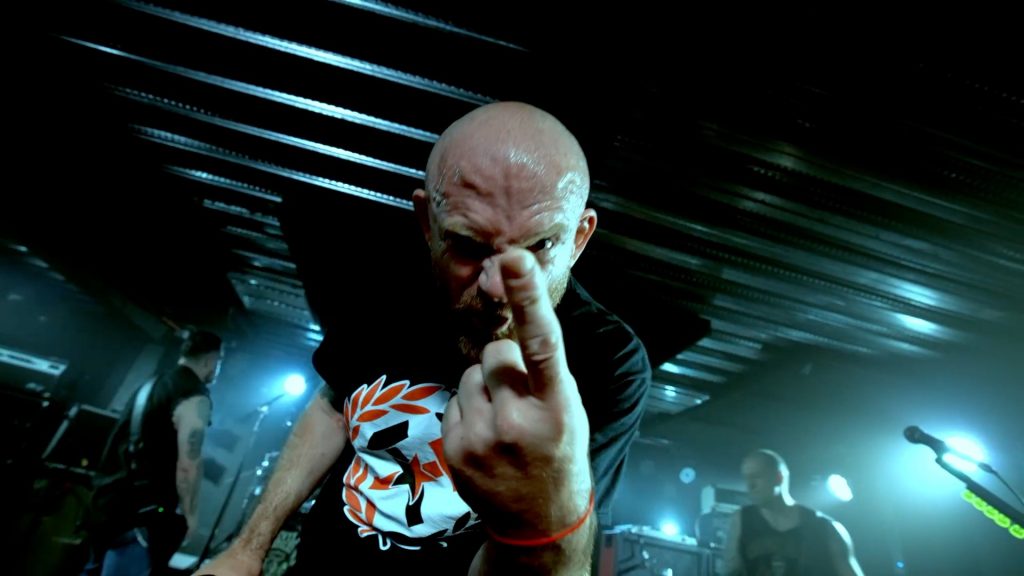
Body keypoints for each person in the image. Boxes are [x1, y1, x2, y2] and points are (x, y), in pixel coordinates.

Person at [196, 101, 652, 575]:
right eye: (469, 245)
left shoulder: (609, 359)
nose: (498, 288)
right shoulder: (387, 288)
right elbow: (332, 409)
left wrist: (544, 510)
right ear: (426, 223)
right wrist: (246, 550)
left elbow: (566, 558)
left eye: (540, 246)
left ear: (579, 238)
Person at [82, 329, 223, 575]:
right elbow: (188, 461)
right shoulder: (194, 395)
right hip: (141, 516)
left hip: (106, 504)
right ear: (210, 360)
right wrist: (190, 514)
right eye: (219, 362)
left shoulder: (149, 386)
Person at [723, 450, 865, 576]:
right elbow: (730, 571)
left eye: (756, 476)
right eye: (746, 478)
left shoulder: (825, 527)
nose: (749, 485)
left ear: (778, 477)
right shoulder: (741, 520)